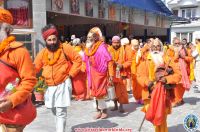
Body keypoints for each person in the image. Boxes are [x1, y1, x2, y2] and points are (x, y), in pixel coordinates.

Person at [34, 24, 82, 132]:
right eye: (49, 40)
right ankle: (60, 128)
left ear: (57, 38)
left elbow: (78, 60)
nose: (52, 42)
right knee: (53, 109)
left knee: (61, 111)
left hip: (63, 83)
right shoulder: (42, 53)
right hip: (49, 86)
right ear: (45, 40)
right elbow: (35, 68)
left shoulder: (65, 47)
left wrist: (71, 74)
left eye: (54, 39)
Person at [0, 8, 37, 131]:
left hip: (11, 118)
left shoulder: (19, 52)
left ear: (5, 29)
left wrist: (11, 101)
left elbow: (29, 81)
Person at [138, 38, 181, 132]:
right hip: (149, 93)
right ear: (150, 48)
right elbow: (140, 76)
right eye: (153, 46)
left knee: (161, 117)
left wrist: (166, 79)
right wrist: (148, 82)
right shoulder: (145, 60)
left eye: (158, 46)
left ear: (161, 47)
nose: (156, 48)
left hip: (164, 94)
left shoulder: (168, 60)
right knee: (153, 116)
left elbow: (178, 75)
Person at [83, 27, 114, 119]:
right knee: (94, 93)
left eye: (91, 37)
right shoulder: (88, 48)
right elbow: (85, 61)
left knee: (99, 93)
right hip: (91, 73)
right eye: (88, 38)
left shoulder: (102, 47)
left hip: (100, 73)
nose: (89, 39)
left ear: (96, 37)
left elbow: (109, 61)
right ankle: (99, 110)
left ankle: (104, 110)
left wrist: (111, 74)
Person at [108, 36, 130, 112]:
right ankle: (115, 105)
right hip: (112, 74)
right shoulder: (108, 50)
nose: (116, 44)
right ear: (112, 43)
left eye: (118, 42)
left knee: (122, 91)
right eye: (115, 42)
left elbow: (129, 61)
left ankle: (121, 105)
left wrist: (122, 65)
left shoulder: (124, 50)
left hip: (121, 74)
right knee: (113, 90)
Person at [167, 37, 192, 107]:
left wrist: (183, 57)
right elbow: (168, 59)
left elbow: (190, 59)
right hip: (174, 72)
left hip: (184, 71)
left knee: (182, 86)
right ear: (173, 43)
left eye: (178, 43)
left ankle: (180, 99)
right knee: (176, 87)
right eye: (175, 43)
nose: (177, 44)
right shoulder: (170, 50)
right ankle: (176, 100)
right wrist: (176, 55)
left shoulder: (185, 49)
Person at [130, 39, 143, 104]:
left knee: (141, 86)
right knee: (135, 86)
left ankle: (141, 97)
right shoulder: (130, 52)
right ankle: (137, 98)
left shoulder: (141, 51)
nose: (136, 47)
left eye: (137, 45)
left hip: (140, 71)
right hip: (133, 72)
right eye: (135, 46)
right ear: (132, 45)